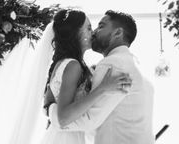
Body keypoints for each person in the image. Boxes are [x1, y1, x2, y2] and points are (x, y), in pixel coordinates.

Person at [48, 10, 155, 144]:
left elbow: (89, 120)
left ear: (117, 33)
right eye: (90, 28)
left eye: (101, 26)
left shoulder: (113, 64)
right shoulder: (129, 63)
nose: (94, 32)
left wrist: (50, 110)